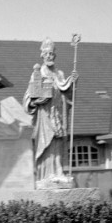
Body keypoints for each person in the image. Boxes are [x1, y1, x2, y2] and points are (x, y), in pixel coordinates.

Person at [22, 37, 78, 183]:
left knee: (58, 140)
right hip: (45, 114)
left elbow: (66, 92)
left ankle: (59, 170)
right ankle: (49, 173)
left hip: (58, 111)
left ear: (54, 55)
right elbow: (28, 97)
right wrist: (36, 101)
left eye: (51, 54)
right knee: (49, 141)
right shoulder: (38, 73)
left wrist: (73, 82)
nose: (49, 56)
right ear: (42, 55)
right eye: (46, 53)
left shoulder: (59, 74)